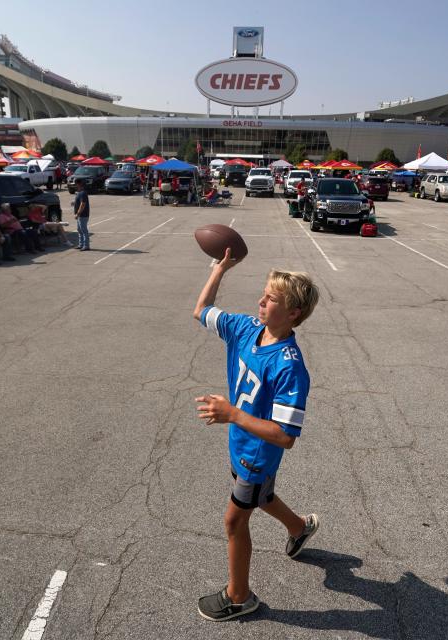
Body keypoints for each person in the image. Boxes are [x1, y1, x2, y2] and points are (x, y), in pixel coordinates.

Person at [192, 256, 321, 622]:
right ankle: (300, 527)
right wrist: (220, 269)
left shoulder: (289, 366)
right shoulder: (247, 329)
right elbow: (201, 309)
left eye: (271, 299)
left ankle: (239, 596)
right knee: (260, 495)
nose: (261, 302)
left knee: (234, 521)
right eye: (263, 295)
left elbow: (284, 436)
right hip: (241, 444)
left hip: (257, 453)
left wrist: (232, 414)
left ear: (293, 312)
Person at [73, 180, 90, 251]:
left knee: (83, 230)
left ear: (80, 184)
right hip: (80, 215)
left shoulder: (83, 193)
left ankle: (86, 246)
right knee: (79, 230)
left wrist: (78, 214)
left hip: (83, 215)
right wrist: (74, 203)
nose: (75, 186)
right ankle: (81, 244)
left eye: (76, 184)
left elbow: (83, 204)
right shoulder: (79, 193)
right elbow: (79, 202)